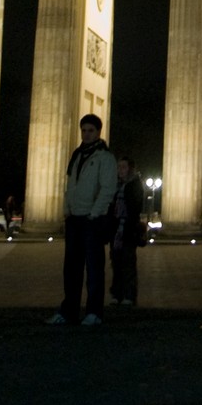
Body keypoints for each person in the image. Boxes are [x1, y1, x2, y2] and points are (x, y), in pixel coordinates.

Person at [46, 113, 116, 326]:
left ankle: (94, 312)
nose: (86, 134)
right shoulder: (77, 155)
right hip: (74, 218)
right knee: (71, 269)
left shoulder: (105, 157)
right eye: (84, 130)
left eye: (90, 130)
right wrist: (66, 209)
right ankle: (69, 311)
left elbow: (108, 188)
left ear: (98, 132)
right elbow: (70, 185)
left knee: (94, 269)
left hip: (92, 220)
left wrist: (95, 213)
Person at [110, 157, 144, 307]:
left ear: (130, 169)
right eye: (119, 167)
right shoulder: (115, 185)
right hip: (116, 230)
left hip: (128, 229)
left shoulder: (135, 185)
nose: (120, 170)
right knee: (116, 263)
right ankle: (117, 294)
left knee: (128, 263)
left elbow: (136, 207)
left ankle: (129, 295)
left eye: (123, 167)